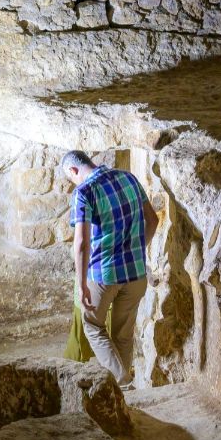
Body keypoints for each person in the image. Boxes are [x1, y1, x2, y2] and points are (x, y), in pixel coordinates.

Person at [61, 150, 158, 386]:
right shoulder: (129, 178)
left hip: (104, 275)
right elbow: (153, 220)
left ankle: (121, 378)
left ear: (74, 170)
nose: (73, 182)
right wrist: (137, 249)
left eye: (70, 177)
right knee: (123, 336)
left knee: (93, 326)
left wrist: (82, 284)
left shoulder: (83, 192)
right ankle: (124, 392)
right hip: (135, 275)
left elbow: (82, 243)